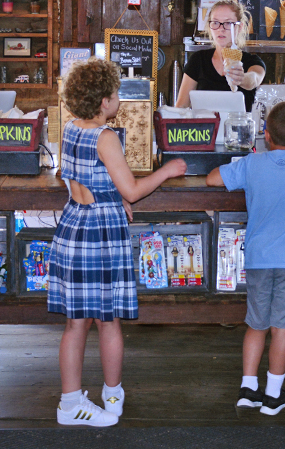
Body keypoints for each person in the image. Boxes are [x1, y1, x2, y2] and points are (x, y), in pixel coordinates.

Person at [49, 57, 187, 426]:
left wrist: (115, 196)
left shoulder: (72, 129)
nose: (119, 99)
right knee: (107, 321)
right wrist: (167, 170)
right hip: (101, 236)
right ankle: (111, 394)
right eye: (116, 93)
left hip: (74, 226)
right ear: (104, 102)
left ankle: (70, 401)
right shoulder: (106, 137)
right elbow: (134, 189)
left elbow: (76, 175)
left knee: (75, 323)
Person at [205, 102, 285, 415]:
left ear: (265, 135)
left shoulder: (252, 164)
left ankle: (247, 389)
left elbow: (212, 179)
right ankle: (273, 395)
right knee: (282, 328)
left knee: (256, 324)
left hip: (260, 259)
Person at [175, 0, 266, 112]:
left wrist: (241, 78)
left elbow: (254, 79)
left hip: (239, 127)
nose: (221, 29)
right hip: (204, 128)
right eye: (216, 22)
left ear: (240, 27)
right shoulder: (198, 60)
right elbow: (181, 107)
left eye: (228, 23)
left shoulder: (252, 61)